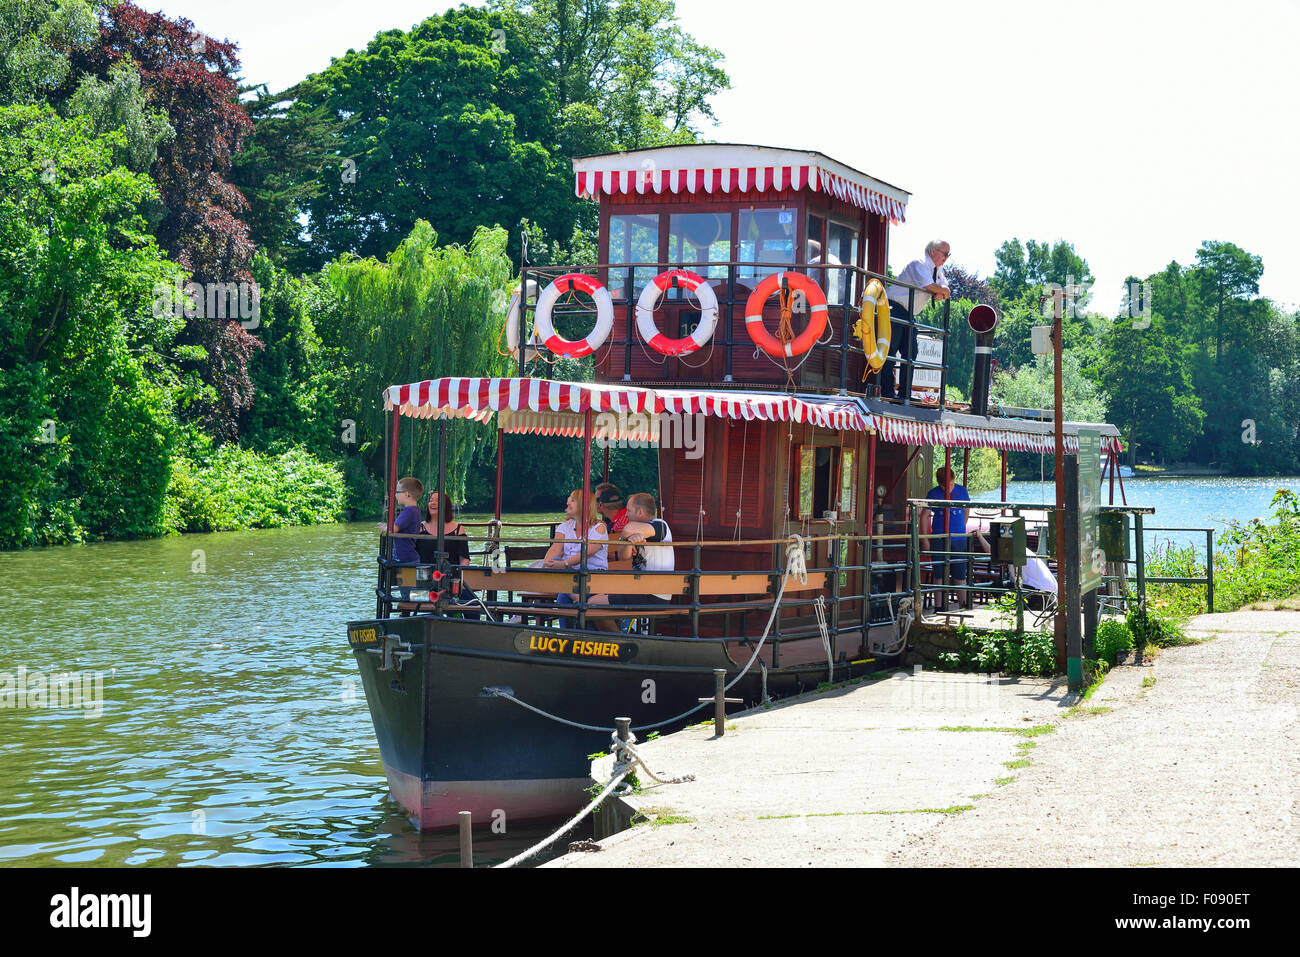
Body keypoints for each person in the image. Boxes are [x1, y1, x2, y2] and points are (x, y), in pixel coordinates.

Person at [881, 240, 952, 400]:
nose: (946, 257)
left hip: (908, 312)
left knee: (911, 352)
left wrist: (939, 290)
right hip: (895, 307)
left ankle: (905, 394)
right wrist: (937, 290)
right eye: (944, 253)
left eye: (948, 254)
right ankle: (887, 393)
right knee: (890, 351)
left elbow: (945, 291)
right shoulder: (918, 264)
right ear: (933, 251)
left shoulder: (937, 269)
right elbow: (930, 286)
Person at [542, 490, 611, 624]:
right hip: (571, 577)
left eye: (572, 500)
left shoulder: (599, 527)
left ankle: (568, 634)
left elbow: (587, 552)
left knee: (563, 593)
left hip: (593, 577)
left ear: (583, 504)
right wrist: (547, 564)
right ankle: (578, 599)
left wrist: (564, 564)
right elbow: (556, 547)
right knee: (562, 589)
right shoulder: (565, 526)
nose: (567, 502)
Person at [417, 491, 480, 619]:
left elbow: (465, 559)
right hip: (426, 582)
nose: (433, 503)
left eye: (437, 500)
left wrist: (457, 579)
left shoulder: (458, 529)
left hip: (452, 582)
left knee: (474, 607)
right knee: (416, 606)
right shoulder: (419, 528)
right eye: (430, 500)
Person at [612, 492, 675, 609]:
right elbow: (623, 556)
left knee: (591, 602)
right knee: (600, 594)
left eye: (629, 510)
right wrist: (629, 540)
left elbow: (627, 529)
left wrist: (627, 536)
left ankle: (611, 628)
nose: (625, 515)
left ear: (640, 512)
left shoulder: (660, 524)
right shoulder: (638, 531)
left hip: (652, 594)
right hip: (640, 590)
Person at [921, 465, 971, 610]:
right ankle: (938, 607)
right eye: (944, 485)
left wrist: (961, 527)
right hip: (939, 538)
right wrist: (925, 539)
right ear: (939, 483)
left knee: (960, 574)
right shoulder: (933, 494)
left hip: (958, 538)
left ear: (954, 480)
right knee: (939, 574)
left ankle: (963, 605)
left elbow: (966, 509)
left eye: (950, 484)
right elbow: (924, 515)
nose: (947, 488)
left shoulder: (962, 491)